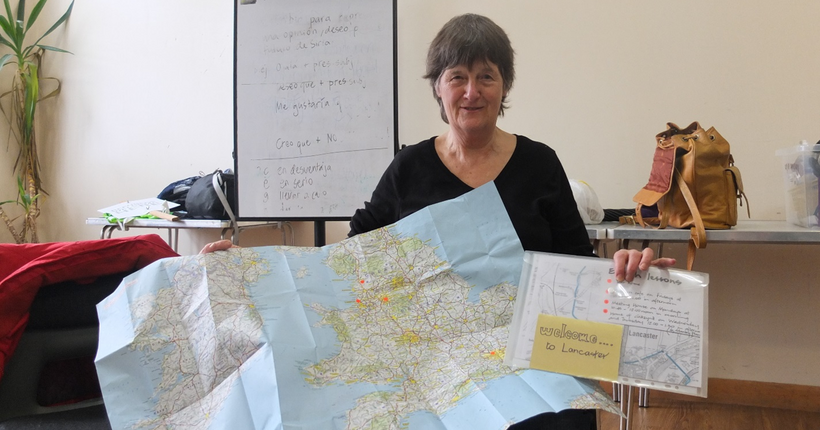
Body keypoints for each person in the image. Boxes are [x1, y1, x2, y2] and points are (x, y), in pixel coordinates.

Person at [344, 13, 675, 429]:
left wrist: (625, 273)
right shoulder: (408, 167)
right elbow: (357, 248)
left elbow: (576, 260)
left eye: (486, 77)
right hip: (436, 362)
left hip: (533, 356)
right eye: (457, 77)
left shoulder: (539, 163)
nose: (471, 92)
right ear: (437, 87)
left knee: (566, 421)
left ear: (505, 87)